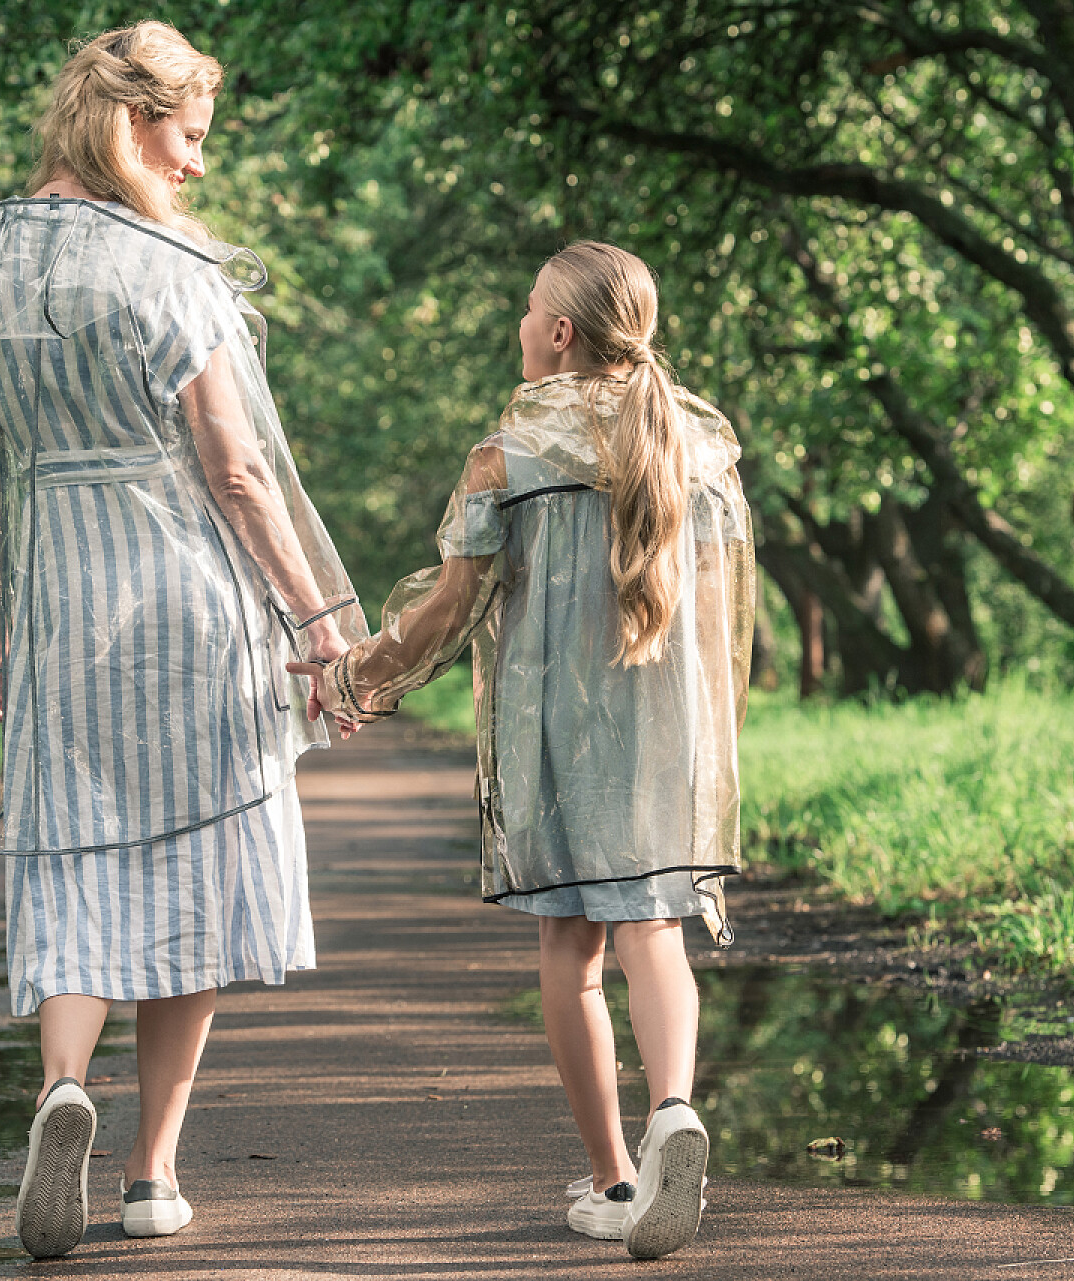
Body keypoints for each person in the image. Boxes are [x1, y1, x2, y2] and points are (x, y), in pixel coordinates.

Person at [0, 21, 366, 1259]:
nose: (198, 165)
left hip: (61, 601)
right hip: (189, 605)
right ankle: (153, 1171)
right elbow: (238, 470)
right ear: (131, 122)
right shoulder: (167, 267)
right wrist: (317, 618)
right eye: (190, 137)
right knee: (198, 871)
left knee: (69, 851)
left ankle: (63, 1085)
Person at [291, 242, 754, 1260]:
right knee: (654, 932)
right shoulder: (702, 446)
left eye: (529, 305)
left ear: (559, 332)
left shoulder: (510, 453)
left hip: (555, 740)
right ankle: (673, 1108)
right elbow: (720, 619)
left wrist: (355, 677)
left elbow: (448, 613)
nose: (521, 320)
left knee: (572, 955)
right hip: (669, 736)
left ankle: (614, 1178)